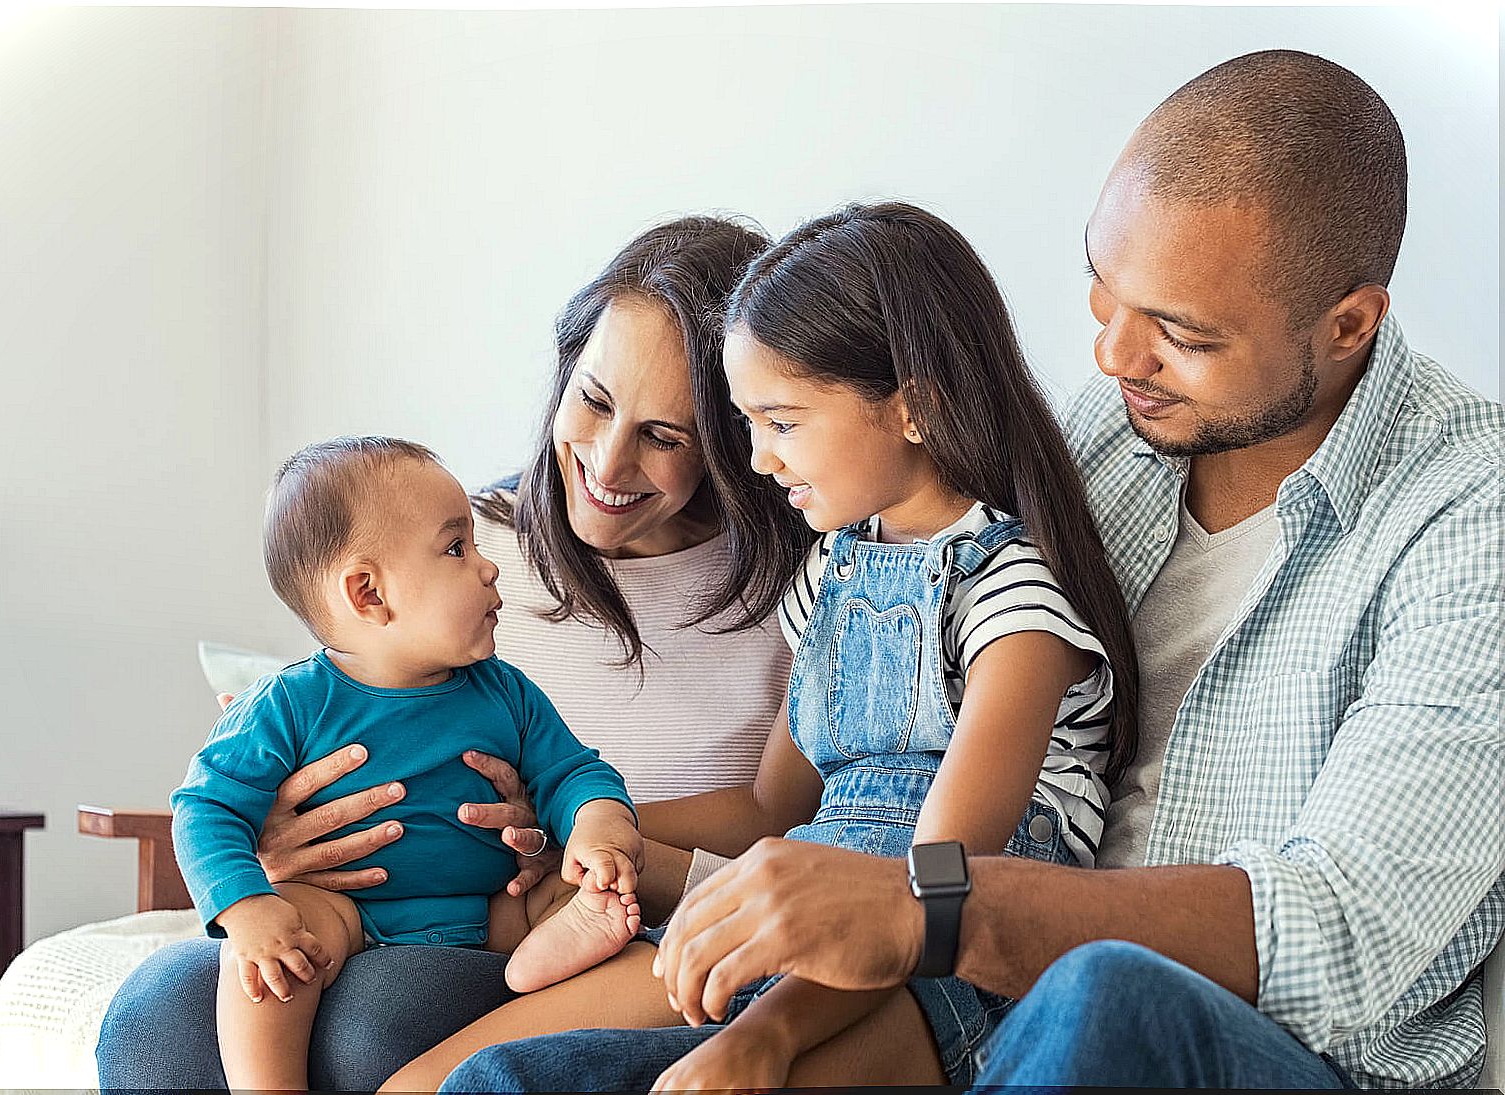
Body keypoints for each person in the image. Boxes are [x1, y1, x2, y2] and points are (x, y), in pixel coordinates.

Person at [445, 50, 1504, 1092]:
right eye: (1102, 292)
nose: (1112, 359)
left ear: (1349, 322)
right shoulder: (1109, 439)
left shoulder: (1467, 512)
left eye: (1178, 333)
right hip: (969, 984)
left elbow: (1347, 931)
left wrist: (931, 906)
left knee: (1102, 997)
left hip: (1231, 1042)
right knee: (508, 1082)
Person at [379, 200, 1142, 1092]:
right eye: (745, 425)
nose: (759, 459)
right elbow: (775, 808)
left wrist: (765, 1037)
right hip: (791, 908)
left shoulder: (1012, 600)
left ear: (915, 409)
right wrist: (577, 826)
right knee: (445, 1082)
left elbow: (936, 890)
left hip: (932, 964)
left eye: (779, 422)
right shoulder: (831, 575)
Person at [96, 215, 814, 1092]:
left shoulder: (796, 586)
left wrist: (575, 829)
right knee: (155, 1017)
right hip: (360, 897)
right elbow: (327, 703)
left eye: (665, 436)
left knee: (372, 1025)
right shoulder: (460, 536)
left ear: (734, 437)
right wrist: (265, 852)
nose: (608, 459)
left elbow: (780, 816)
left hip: (540, 905)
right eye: (591, 400)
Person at [172, 436, 647, 1091]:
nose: (488, 568)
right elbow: (206, 807)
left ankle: (545, 955)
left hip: (492, 907)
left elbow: (573, 771)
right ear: (369, 593)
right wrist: (249, 909)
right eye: (457, 548)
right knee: (274, 956)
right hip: (348, 911)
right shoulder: (290, 702)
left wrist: (597, 828)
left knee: (567, 887)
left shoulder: (505, 690)